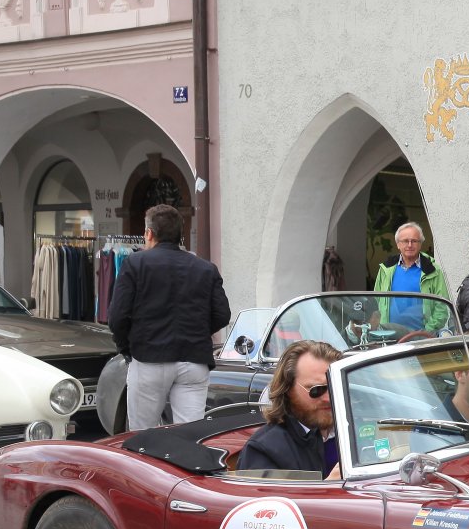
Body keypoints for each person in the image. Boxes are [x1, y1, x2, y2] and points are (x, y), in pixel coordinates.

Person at [109, 204, 232, 431]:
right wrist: (197, 331)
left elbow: (117, 317)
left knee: (142, 437)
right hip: (193, 359)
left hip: (148, 357)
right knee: (190, 436)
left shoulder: (135, 264)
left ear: (149, 233)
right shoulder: (206, 268)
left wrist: (127, 348)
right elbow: (222, 315)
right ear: (179, 234)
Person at [239, 341, 345, 476]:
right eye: (317, 390)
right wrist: (330, 485)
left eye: (334, 387)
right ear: (287, 389)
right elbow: (267, 491)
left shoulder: (354, 432)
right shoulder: (263, 451)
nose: (328, 398)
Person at [372, 222, 451, 333]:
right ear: (398, 244)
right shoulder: (385, 269)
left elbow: (442, 308)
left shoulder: (433, 271)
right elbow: (375, 303)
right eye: (405, 241)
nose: (409, 245)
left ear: (420, 244)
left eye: (414, 241)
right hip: (388, 336)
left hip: (421, 338)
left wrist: (427, 332)